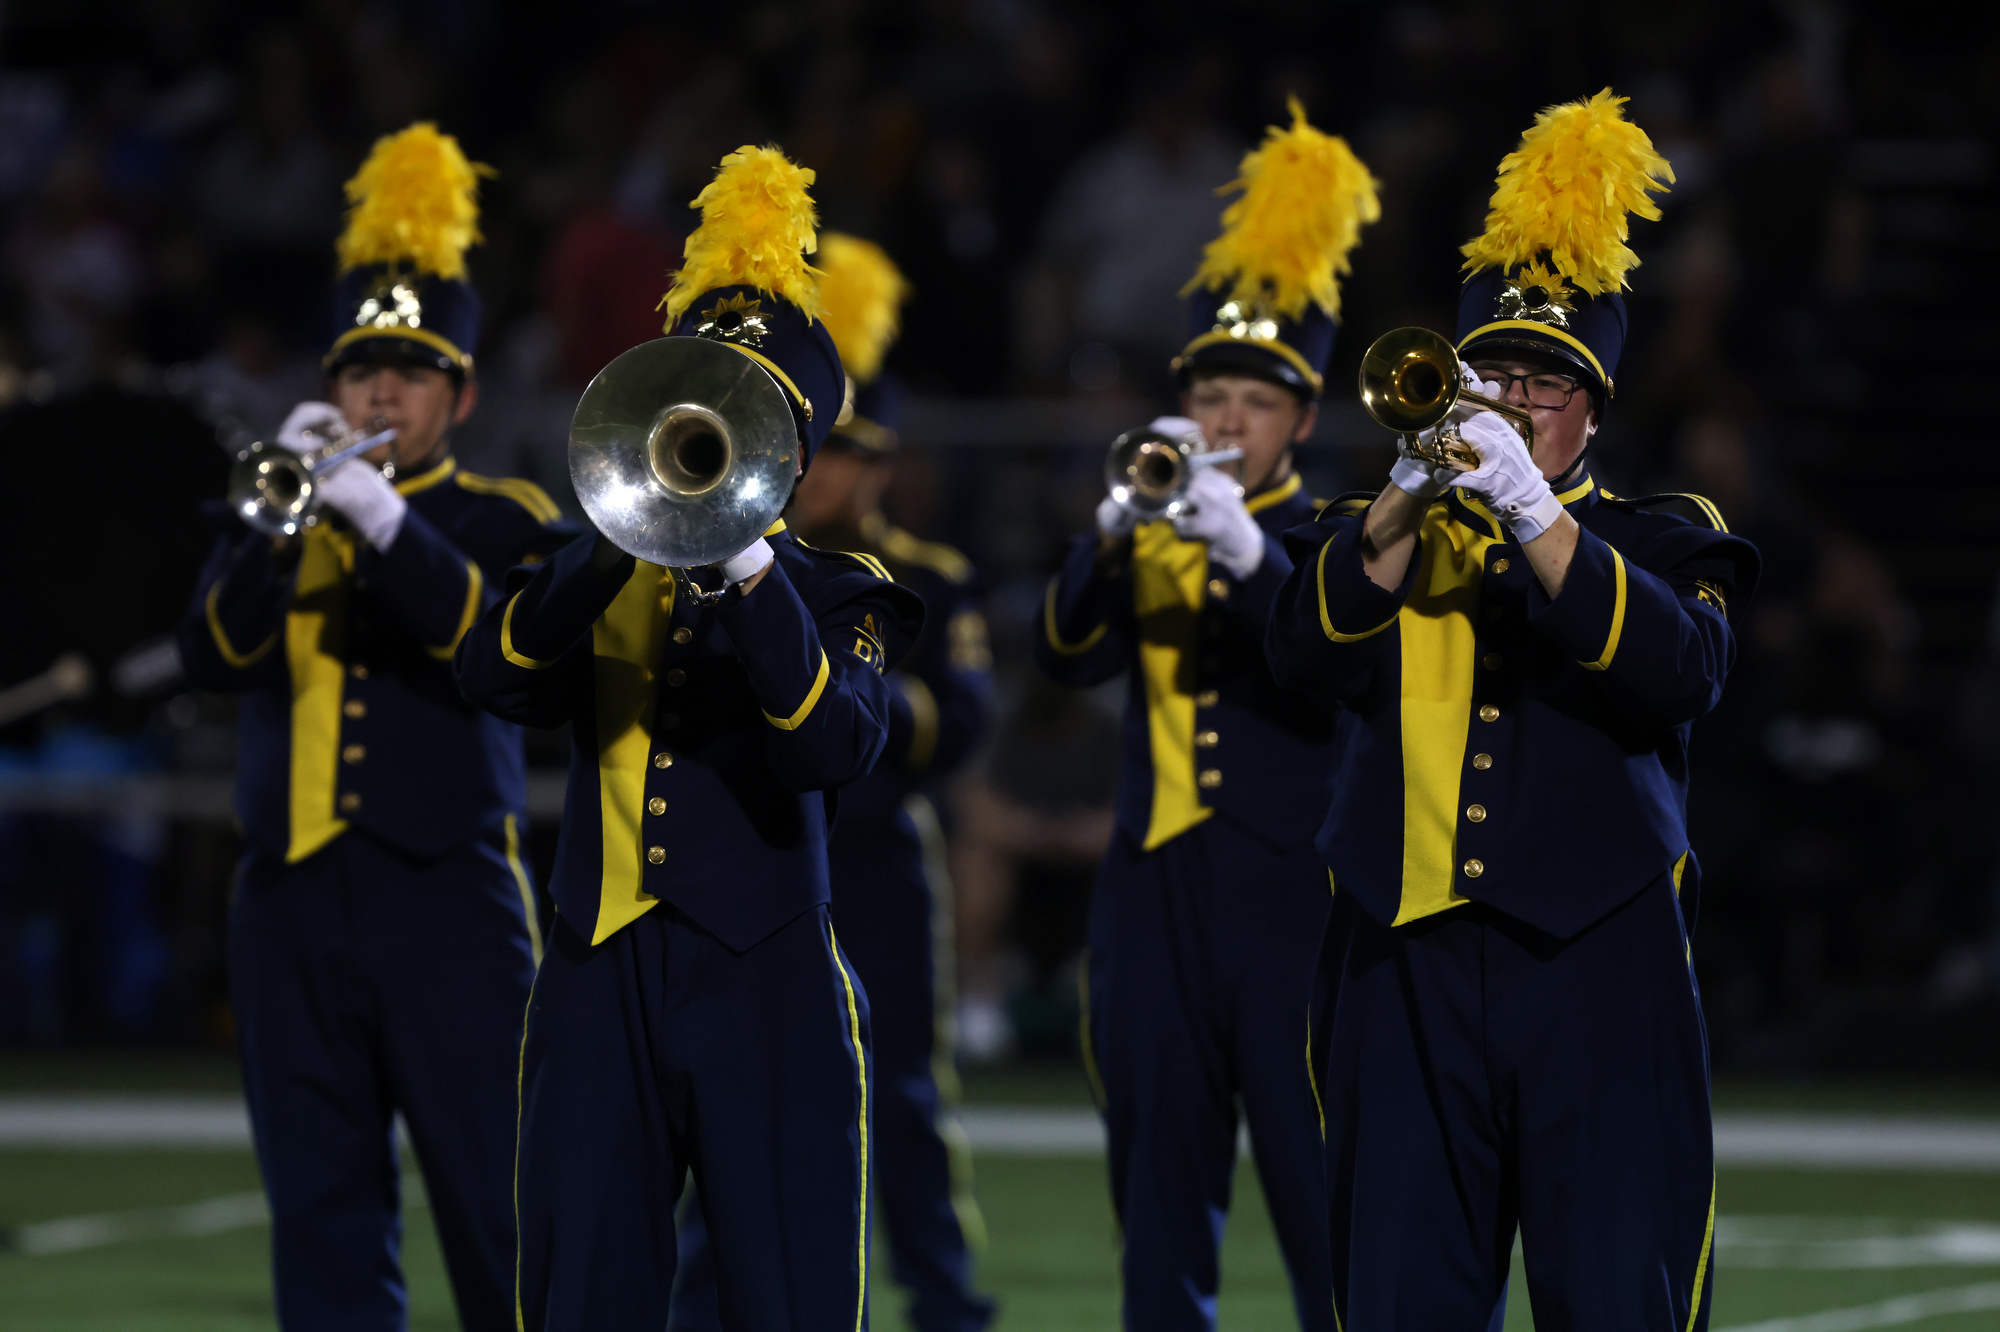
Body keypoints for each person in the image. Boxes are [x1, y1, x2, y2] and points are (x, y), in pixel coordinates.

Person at [1267, 90, 1761, 1330]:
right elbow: (1298, 654)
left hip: (1597, 966)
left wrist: (1534, 518)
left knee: (1616, 1293)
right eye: (1490, 372)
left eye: (1546, 382)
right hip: (1399, 960)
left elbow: (1682, 672)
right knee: (1396, 1296)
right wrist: (1399, 497)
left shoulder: (1665, 535)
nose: (1512, 399)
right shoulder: (1371, 528)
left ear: (1594, 408)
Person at [455, 146, 924, 1332]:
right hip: (594, 965)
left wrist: (747, 566)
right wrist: (616, 534)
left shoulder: (841, 592)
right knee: (579, 1291)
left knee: (787, 1294)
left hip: (767, 975)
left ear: (793, 453)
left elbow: (828, 749)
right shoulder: (589, 566)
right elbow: (493, 676)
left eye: (746, 415)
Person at [175, 123, 573, 1332]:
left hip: (448, 900)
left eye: (410, 372)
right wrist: (272, 529)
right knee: (321, 1210)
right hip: (289, 899)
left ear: (461, 395)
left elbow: (493, 646)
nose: (381, 394)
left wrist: (388, 525)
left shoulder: (504, 518)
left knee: (499, 1200)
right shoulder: (283, 517)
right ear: (329, 388)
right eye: (360, 372)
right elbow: (210, 655)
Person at [1032, 100, 1377, 1332]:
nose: (1228, 419)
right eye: (1210, 392)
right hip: (1151, 887)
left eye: (1256, 400)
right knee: (1157, 1185)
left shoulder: (1337, 536)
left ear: (1302, 418)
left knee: (1318, 1185)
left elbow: (1331, 667)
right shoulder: (1152, 520)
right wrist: (1106, 537)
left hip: (1293, 896)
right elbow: (1063, 656)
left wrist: (1248, 556)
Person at [670, 232, 997, 1332]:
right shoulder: (703, 560)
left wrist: (838, 697)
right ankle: (701, 1306)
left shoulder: (928, 577)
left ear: (882, 464)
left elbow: (958, 727)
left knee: (898, 1091)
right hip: (754, 844)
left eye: (856, 455)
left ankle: (944, 1300)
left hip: (872, 855)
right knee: (727, 1095)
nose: (834, 473)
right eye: (826, 450)